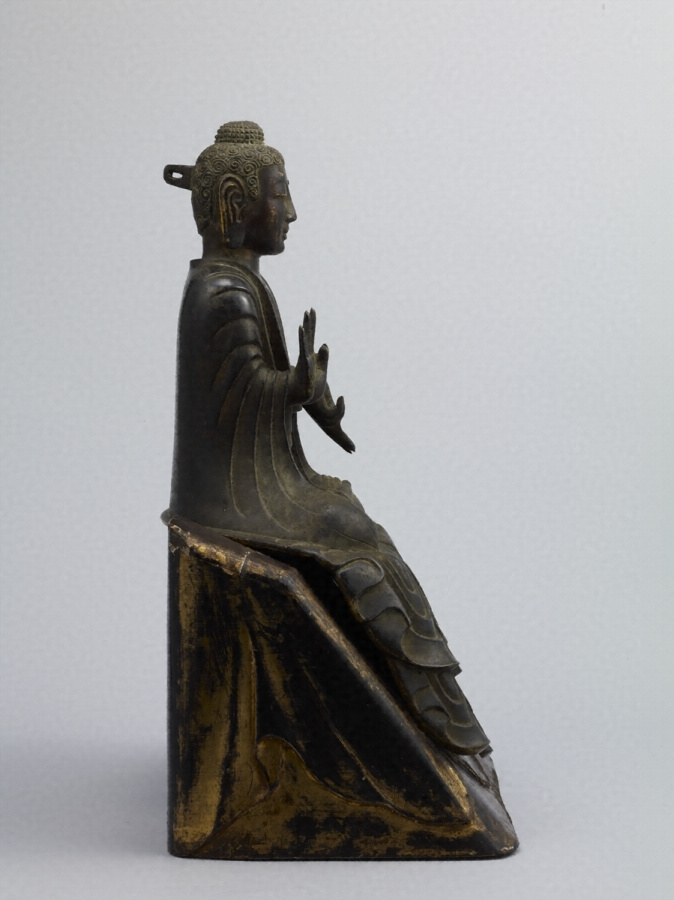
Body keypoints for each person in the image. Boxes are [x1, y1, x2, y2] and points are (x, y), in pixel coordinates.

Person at [164, 121, 492, 760]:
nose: (290, 212)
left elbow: (251, 386)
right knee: (351, 527)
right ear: (233, 202)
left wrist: (300, 391)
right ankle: (433, 710)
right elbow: (233, 399)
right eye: (279, 194)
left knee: (348, 510)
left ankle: (435, 711)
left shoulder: (240, 284)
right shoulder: (220, 292)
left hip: (258, 475)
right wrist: (292, 386)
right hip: (230, 493)